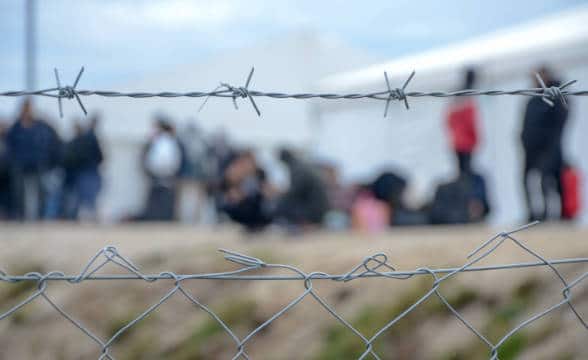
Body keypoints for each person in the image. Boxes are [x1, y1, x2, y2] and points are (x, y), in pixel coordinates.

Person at [521, 66, 569, 221]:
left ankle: (554, 214)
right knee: (527, 180)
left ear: (546, 76)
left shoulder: (557, 95)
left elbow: (560, 120)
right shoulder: (535, 97)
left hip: (549, 147)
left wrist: (550, 141)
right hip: (530, 148)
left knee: (550, 181)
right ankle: (534, 215)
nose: (534, 80)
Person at [6, 99, 62, 220]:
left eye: (29, 108)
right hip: (19, 164)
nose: (27, 111)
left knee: (41, 192)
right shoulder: (15, 127)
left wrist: (49, 159)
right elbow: (9, 146)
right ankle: (20, 217)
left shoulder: (41, 126)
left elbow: (51, 141)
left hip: (38, 164)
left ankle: (40, 217)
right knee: (19, 192)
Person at [139, 115, 184, 221]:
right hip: (165, 174)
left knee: (159, 197)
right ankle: (161, 217)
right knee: (162, 198)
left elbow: (158, 159)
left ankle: (157, 216)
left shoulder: (161, 140)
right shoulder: (168, 141)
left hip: (159, 173)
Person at [62, 114, 104, 221]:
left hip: (84, 173)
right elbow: (100, 157)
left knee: (85, 199)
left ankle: (81, 218)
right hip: (86, 173)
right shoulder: (89, 139)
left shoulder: (79, 141)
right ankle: (83, 218)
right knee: (86, 199)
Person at [274, 148, 329, 228]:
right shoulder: (301, 165)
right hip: (319, 206)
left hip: (314, 208)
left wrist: (280, 195)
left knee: (282, 205)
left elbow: (294, 192)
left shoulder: (297, 168)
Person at [219, 149, 272, 231]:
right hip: (241, 206)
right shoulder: (237, 173)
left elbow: (265, 189)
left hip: (255, 205)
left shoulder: (260, 173)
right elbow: (230, 192)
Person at [445, 68, 479, 174]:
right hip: (465, 141)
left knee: (463, 170)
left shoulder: (459, 93)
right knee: (466, 170)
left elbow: (449, 119)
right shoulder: (467, 94)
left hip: (459, 140)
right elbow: (469, 121)